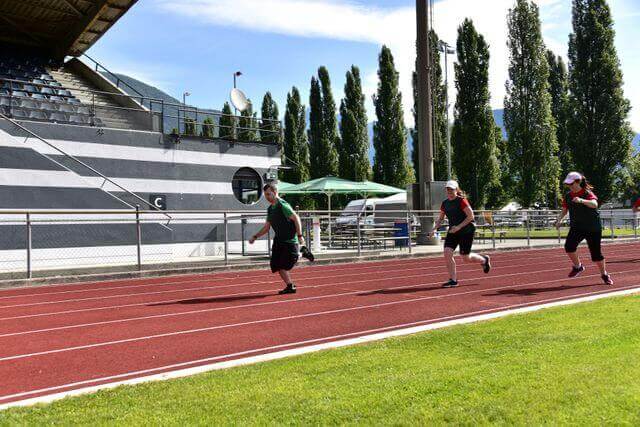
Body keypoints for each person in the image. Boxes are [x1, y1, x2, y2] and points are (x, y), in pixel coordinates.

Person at [429, 180, 491, 288]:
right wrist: (434, 229)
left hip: (466, 230)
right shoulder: (445, 203)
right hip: (453, 231)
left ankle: (484, 260)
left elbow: (471, 216)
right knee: (447, 252)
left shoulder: (461, 201)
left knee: (465, 257)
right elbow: (441, 219)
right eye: (448, 189)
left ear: (456, 190)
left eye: (452, 189)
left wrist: (459, 227)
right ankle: (453, 280)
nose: (449, 191)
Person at [554, 172, 613, 285]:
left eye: (571, 184)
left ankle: (604, 274)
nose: (569, 186)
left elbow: (594, 204)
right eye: (568, 184)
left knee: (596, 255)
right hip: (577, 227)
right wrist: (559, 220)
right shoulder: (568, 196)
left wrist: (581, 200)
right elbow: (564, 210)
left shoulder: (587, 193)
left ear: (578, 182)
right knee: (569, 247)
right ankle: (578, 267)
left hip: (593, 228)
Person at [249, 182, 305, 294]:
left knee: (286, 264)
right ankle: (290, 286)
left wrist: (300, 235)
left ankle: (301, 254)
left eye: (268, 194)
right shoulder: (270, 209)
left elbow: (296, 218)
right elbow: (266, 227)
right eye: (265, 195)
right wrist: (255, 236)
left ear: (275, 192)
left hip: (290, 241)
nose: (267, 197)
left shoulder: (282, 205)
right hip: (279, 240)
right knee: (277, 265)